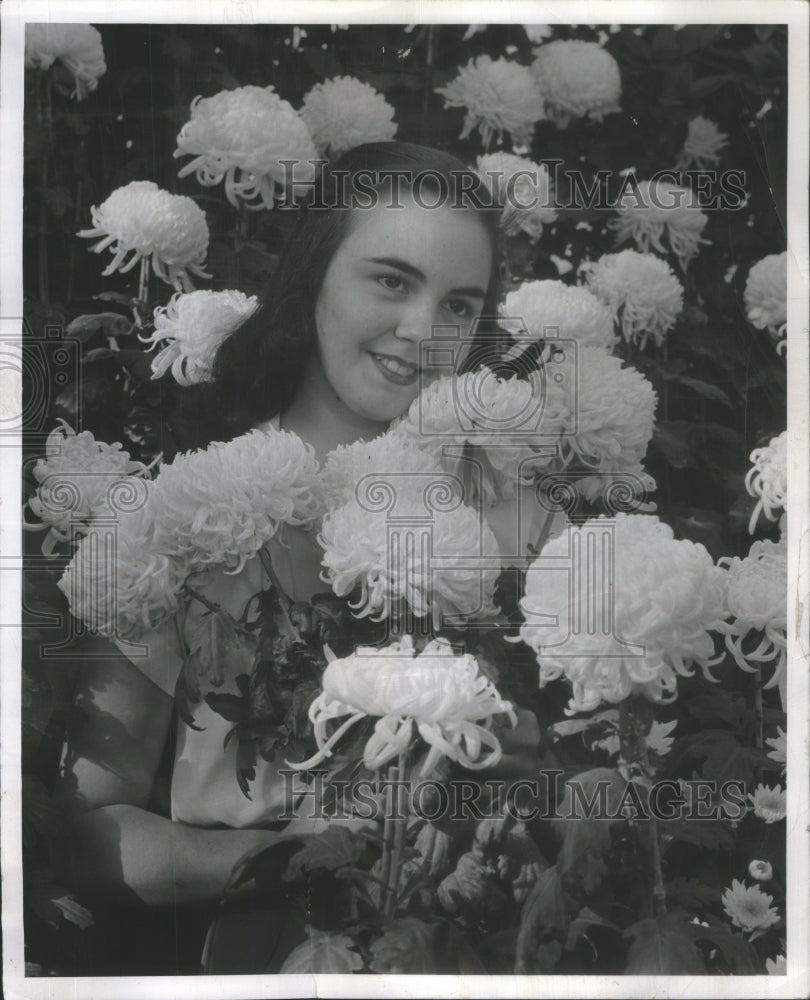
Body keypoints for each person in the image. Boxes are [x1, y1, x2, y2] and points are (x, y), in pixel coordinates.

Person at [52, 143, 549, 973]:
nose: (425, 334)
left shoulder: (509, 519)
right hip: (235, 952)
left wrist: (528, 769)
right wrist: (297, 853)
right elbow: (80, 833)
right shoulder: (177, 522)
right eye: (391, 280)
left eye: (460, 306)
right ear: (313, 276)